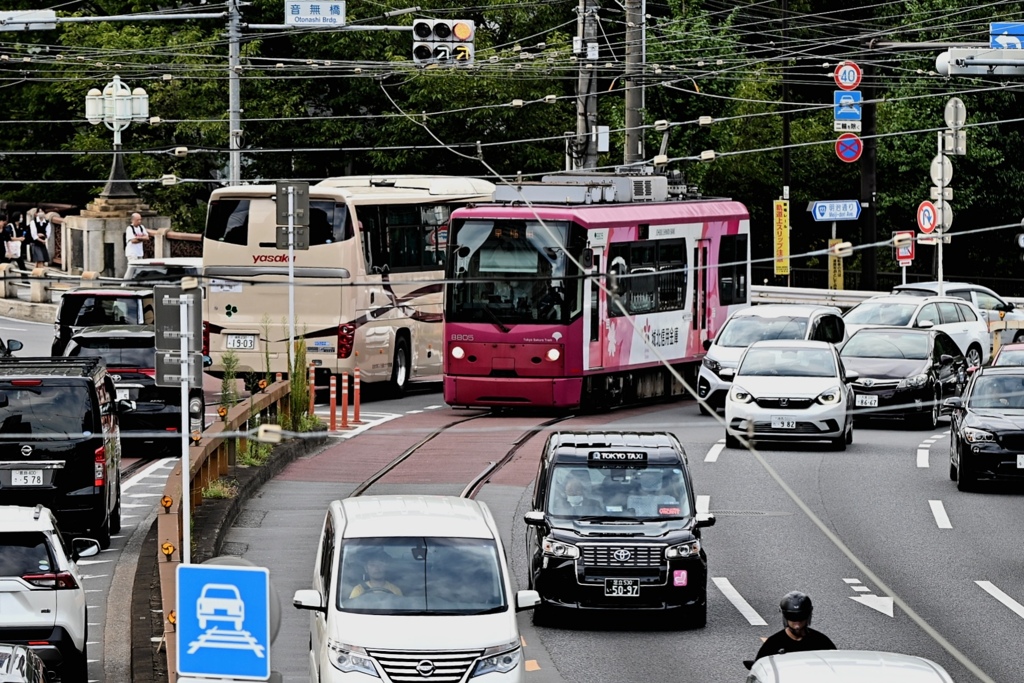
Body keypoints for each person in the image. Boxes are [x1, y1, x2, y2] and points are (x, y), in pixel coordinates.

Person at [753, 591, 836, 663]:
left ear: (808, 615)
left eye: (801, 616)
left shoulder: (822, 642)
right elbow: (760, 668)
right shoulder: (773, 643)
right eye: (792, 617)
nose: (797, 623)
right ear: (785, 617)